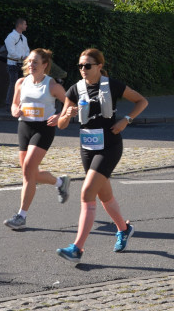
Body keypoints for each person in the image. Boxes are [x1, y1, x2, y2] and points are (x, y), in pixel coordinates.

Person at [56, 49, 149, 264]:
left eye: (87, 65)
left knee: (87, 192)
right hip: (87, 147)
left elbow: (141, 101)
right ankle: (124, 229)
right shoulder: (75, 89)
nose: (83, 69)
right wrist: (67, 115)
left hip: (110, 146)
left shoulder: (112, 85)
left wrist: (126, 120)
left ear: (99, 66)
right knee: (104, 195)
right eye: (80, 66)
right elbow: (61, 124)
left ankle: (77, 248)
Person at [2, 48, 71, 231]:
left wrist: (59, 116)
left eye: (35, 62)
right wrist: (15, 110)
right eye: (30, 61)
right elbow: (14, 104)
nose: (31, 65)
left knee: (28, 169)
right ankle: (60, 182)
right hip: (24, 127)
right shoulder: (21, 82)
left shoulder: (52, 85)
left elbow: (69, 103)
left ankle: (21, 216)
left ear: (45, 65)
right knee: (29, 173)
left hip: (43, 129)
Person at [4, 18, 30, 105]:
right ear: (19, 25)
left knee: (23, 84)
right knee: (13, 84)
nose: (26, 26)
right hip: (13, 64)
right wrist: (22, 57)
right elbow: (11, 52)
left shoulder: (24, 38)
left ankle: (19, 104)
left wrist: (26, 56)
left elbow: (27, 50)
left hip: (22, 64)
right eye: (25, 24)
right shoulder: (11, 37)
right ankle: (9, 104)